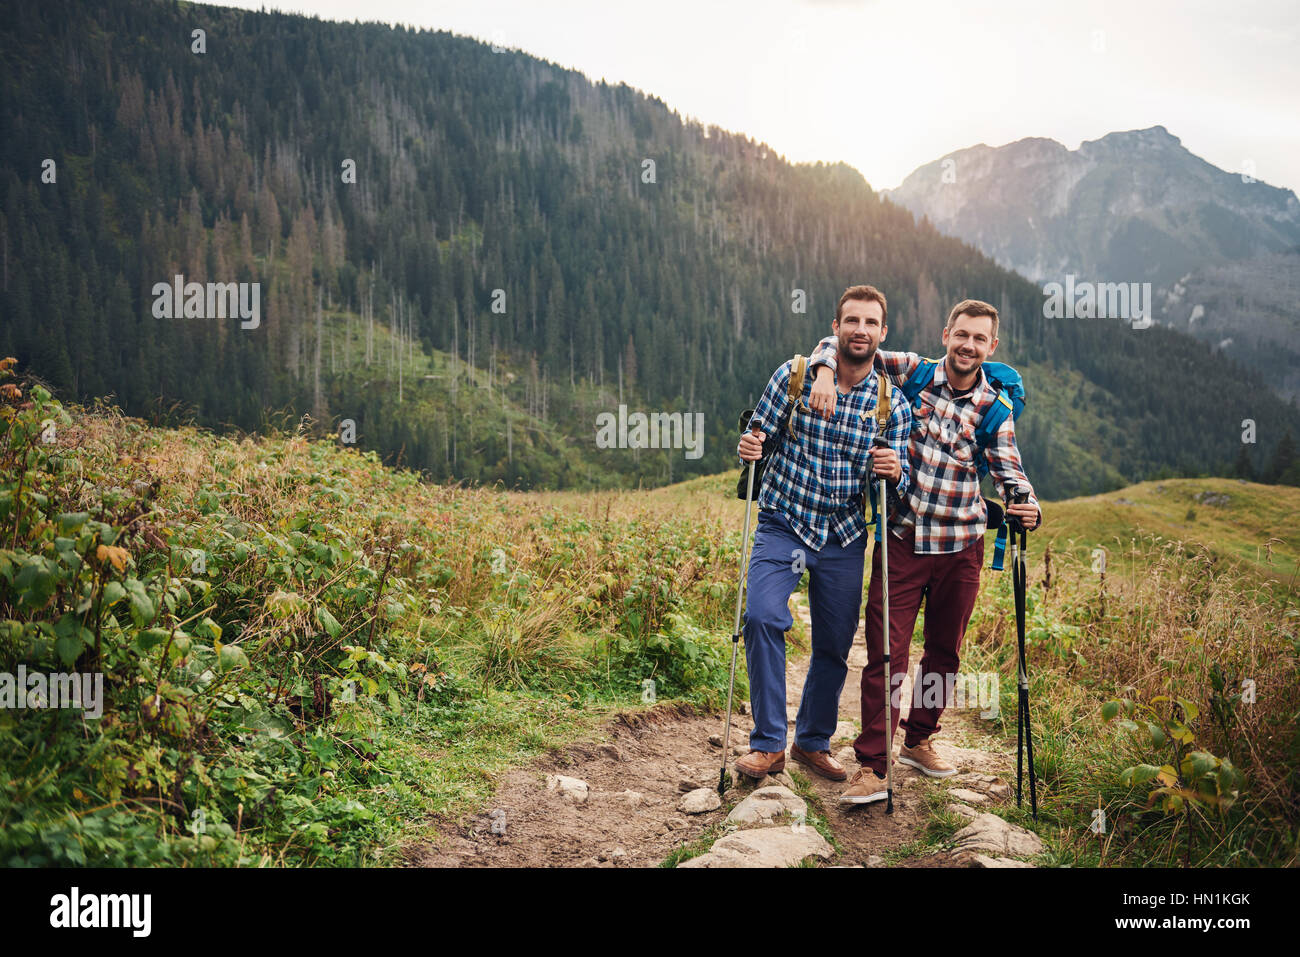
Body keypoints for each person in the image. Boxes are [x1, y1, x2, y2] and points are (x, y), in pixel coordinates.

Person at [803, 299, 1042, 804]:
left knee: (944, 653)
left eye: (979, 338)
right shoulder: (911, 372)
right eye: (962, 334)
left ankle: (918, 738)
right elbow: (850, 345)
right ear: (945, 334)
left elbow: (1009, 469)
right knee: (886, 654)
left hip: (963, 546)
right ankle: (873, 763)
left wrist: (1028, 505)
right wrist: (824, 368)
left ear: (991, 347)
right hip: (903, 539)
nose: (968, 345)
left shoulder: (995, 409)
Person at [734, 285, 911, 782]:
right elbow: (760, 434)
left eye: (871, 323)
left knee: (834, 644)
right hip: (784, 521)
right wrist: (749, 445)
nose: (861, 330)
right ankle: (768, 743)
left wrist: (894, 471)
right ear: (835, 328)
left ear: (882, 333)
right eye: (851, 320)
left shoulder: (889, 404)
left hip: (844, 534)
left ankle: (811, 741)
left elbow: (896, 490)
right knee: (763, 617)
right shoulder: (793, 377)